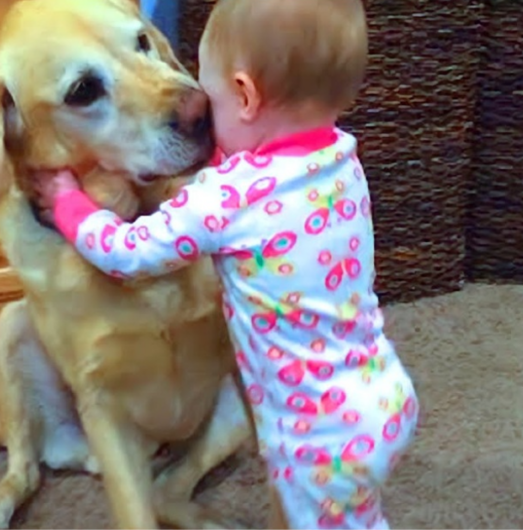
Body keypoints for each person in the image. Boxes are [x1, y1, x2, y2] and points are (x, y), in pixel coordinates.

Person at [33, 1, 419, 529]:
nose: (198, 116)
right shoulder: (339, 158)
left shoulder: (224, 200)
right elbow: (262, 178)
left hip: (317, 435)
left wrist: (66, 201)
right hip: (381, 392)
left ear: (243, 95)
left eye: (205, 98)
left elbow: (127, 253)